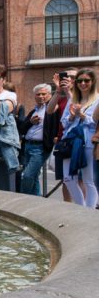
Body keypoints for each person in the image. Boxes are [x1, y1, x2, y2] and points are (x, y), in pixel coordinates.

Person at [61, 68, 98, 207]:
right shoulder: (73, 99)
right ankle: (80, 207)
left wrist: (82, 115)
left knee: (89, 180)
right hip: (71, 141)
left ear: (92, 82)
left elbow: (95, 123)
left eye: (86, 80)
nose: (83, 83)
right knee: (68, 178)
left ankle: (88, 212)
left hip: (87, 141)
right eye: (79, 81)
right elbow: (64, 122)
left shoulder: (97, 100)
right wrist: (71, 116)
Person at [47, 68, 79, 202]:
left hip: (77, 142)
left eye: (72, 77)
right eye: (66, 77)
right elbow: (49, 110)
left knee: (81, 178)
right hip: (63, 142)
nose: (69, 80)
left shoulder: (82, 96)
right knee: (66, 179)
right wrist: (58, 91)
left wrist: (68, 92)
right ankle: (68, 207)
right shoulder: (61, 97)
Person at [18, 83, 56, 195]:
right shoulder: (34, 111)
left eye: (44, 94)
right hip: (28, 146)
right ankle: (36, 200)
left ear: (50, 95)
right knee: (33, 177)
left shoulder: (52, 108)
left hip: (40, 148)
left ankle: (23, 199)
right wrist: (30, 122)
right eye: (38, 94)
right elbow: (22, 128)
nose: (41, 96)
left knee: (27, 175)